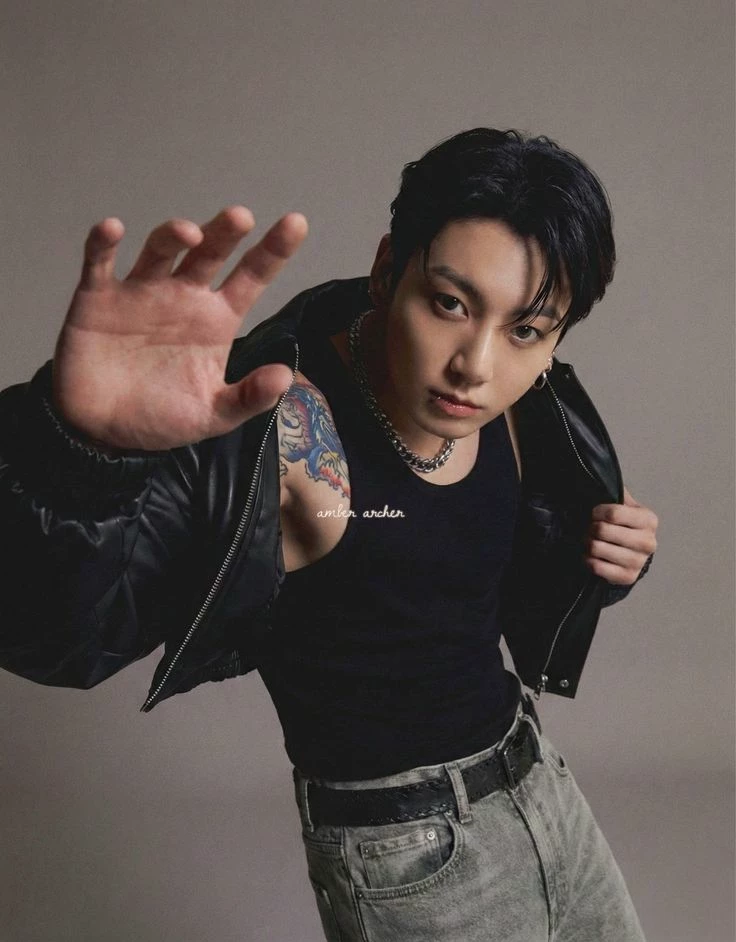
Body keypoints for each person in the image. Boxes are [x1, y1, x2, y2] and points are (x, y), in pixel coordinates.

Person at [0, 128, 658, 941]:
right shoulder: (280, 432)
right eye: (449, 304)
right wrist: (80, 452)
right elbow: (59, 637)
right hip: (412, 857)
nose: (476, 365)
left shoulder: (524, 400)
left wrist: (609, 558)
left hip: (543, 787)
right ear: (389, 269)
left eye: (525, 329)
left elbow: (472, 569)